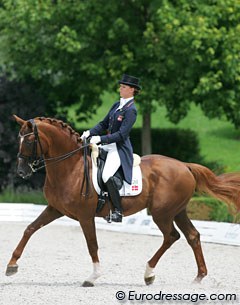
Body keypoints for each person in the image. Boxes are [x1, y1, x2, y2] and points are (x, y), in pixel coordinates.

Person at [81, 74, 141, 222]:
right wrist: (89, 132)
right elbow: (103, 124)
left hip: (119, 149)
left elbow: (122, 134)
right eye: (120, 86)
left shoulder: (131, 110)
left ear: (132, 90)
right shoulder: (117, 105)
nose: (120, 89)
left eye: (124, 87)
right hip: (107, 146)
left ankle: (118, 211)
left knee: (107, 175)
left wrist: (100, 139)